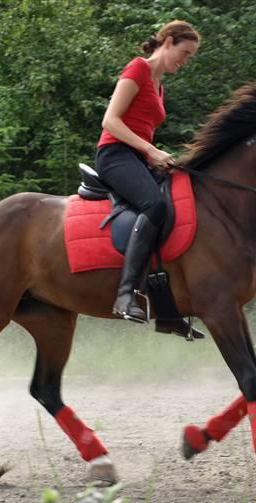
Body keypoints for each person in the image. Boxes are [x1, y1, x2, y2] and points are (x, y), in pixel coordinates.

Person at [95, 20, 200, 323]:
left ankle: (166, 305)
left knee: (178, 199)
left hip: (137, 157)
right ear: (167, 42)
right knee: (155, 205)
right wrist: (151, 151)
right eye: (185, 52)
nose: (186, 61)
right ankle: (125, 294)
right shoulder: (138, 69)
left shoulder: (159, 86)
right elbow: (110, 121)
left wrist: (157, 157)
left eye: (190, 55)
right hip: (114, 154)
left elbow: (142, 127)